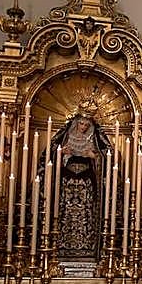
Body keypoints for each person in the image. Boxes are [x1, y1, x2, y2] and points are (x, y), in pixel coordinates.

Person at [50, 112, 111, 261]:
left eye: (86, 125)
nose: (83, 127)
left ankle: (88, 244)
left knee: (86, 213)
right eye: (81, 124)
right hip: (67, 183)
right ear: (76, 123)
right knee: (64, 211)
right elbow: (51, 154)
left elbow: (106, 156)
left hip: (86, 183)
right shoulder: (66, 137)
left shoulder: (93, 139)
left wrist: (94, 156)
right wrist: (60, 153)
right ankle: (61, 244)